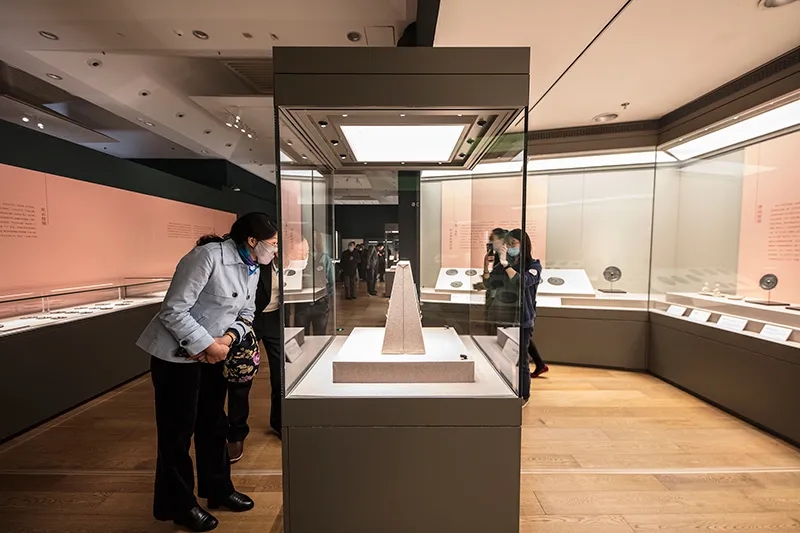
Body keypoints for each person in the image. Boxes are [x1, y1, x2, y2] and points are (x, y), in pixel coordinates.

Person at [136, 213, 276, 532]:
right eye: (272, 243)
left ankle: (218, 488)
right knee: (177, 432)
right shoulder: (207, 257)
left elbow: (247, 311)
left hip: (215, 355)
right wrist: (206, 344)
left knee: (214, 423)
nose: (275, 250)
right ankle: (180, 505)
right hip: (176, 357)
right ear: (252, 240)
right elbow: (173, 309)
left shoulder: (252, 266)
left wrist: (226, 341)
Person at [486, 228, 541, 407]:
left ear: (523, 245)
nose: (509, 247)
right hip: (504, 317)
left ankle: (523, 394)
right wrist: (488, 265)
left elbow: (521, 282)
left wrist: (505, 265)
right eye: (507, 244)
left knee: (521, 359)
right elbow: (489, 283)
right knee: (502, 355)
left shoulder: (534, 266)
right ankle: (506, 387)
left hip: (522, 319)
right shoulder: (504, 265)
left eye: (513, 244)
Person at [252, 225, 284, 442]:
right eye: (273, 243)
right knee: (242, 374)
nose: (276, 248)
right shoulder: (257, 264)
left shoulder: (283, 264)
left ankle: (280, 421)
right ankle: (236, 431)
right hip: (252, 319)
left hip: (274, 318)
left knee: (280, 373)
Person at [295, 231, 335, 335]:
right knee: (319, 335)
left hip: (304, 303)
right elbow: (331, 282)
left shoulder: (300, 258)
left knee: (302, 336)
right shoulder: (325, 258)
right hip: (318, 303)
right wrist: (326, 296)